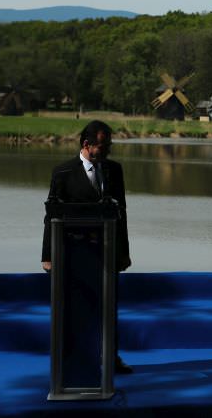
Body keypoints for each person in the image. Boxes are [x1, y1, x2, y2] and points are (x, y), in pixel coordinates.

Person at [41, 120, 133, 374]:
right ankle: (76, 358)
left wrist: (123, 251)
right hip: (75, 253)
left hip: (107, 252)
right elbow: (52, 216)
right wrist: (48, 255)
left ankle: (111, 358)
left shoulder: (115, 170)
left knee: (109, 306)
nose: (108, 150)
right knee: (76, 308)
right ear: (87, 145)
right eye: (104, 146)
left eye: (109, 145)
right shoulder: (63, 173)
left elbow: (122, 213)